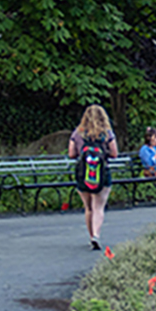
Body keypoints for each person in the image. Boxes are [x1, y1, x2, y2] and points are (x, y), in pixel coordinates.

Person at [69, 105, 119, 250]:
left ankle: (91, 236)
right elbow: (115, 153)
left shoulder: (78, 133)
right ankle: (96, 235)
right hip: (102, 172)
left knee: (88, 207)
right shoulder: (107, 133)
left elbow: (71, 153)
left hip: (83, 173)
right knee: (98, 207)